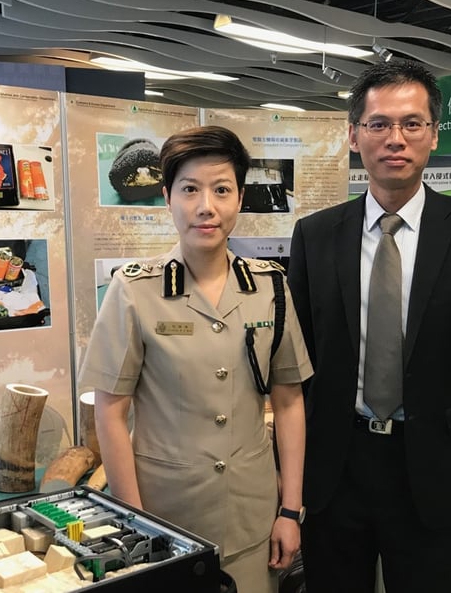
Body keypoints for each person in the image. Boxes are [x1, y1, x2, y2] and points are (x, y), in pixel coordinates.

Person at [287, 59, 451, 592]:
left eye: (412, 123)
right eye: (379, 124)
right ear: (353, 135)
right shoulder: (316, 236)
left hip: (432, 467)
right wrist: (288, 481)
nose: (396, 138)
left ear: (434, 135)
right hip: (335, 468)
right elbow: (294, 365)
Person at [78, 126, 312, 593]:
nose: (206, 206)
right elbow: (110, 410)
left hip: (253, 520)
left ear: (240, 198)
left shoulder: (270, 288)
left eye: (222, 189)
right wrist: (134, 522)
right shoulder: (134, 290)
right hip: (166, 521)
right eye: (190, 189)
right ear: (167, 197)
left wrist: (290, 510)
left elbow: (288, 402)